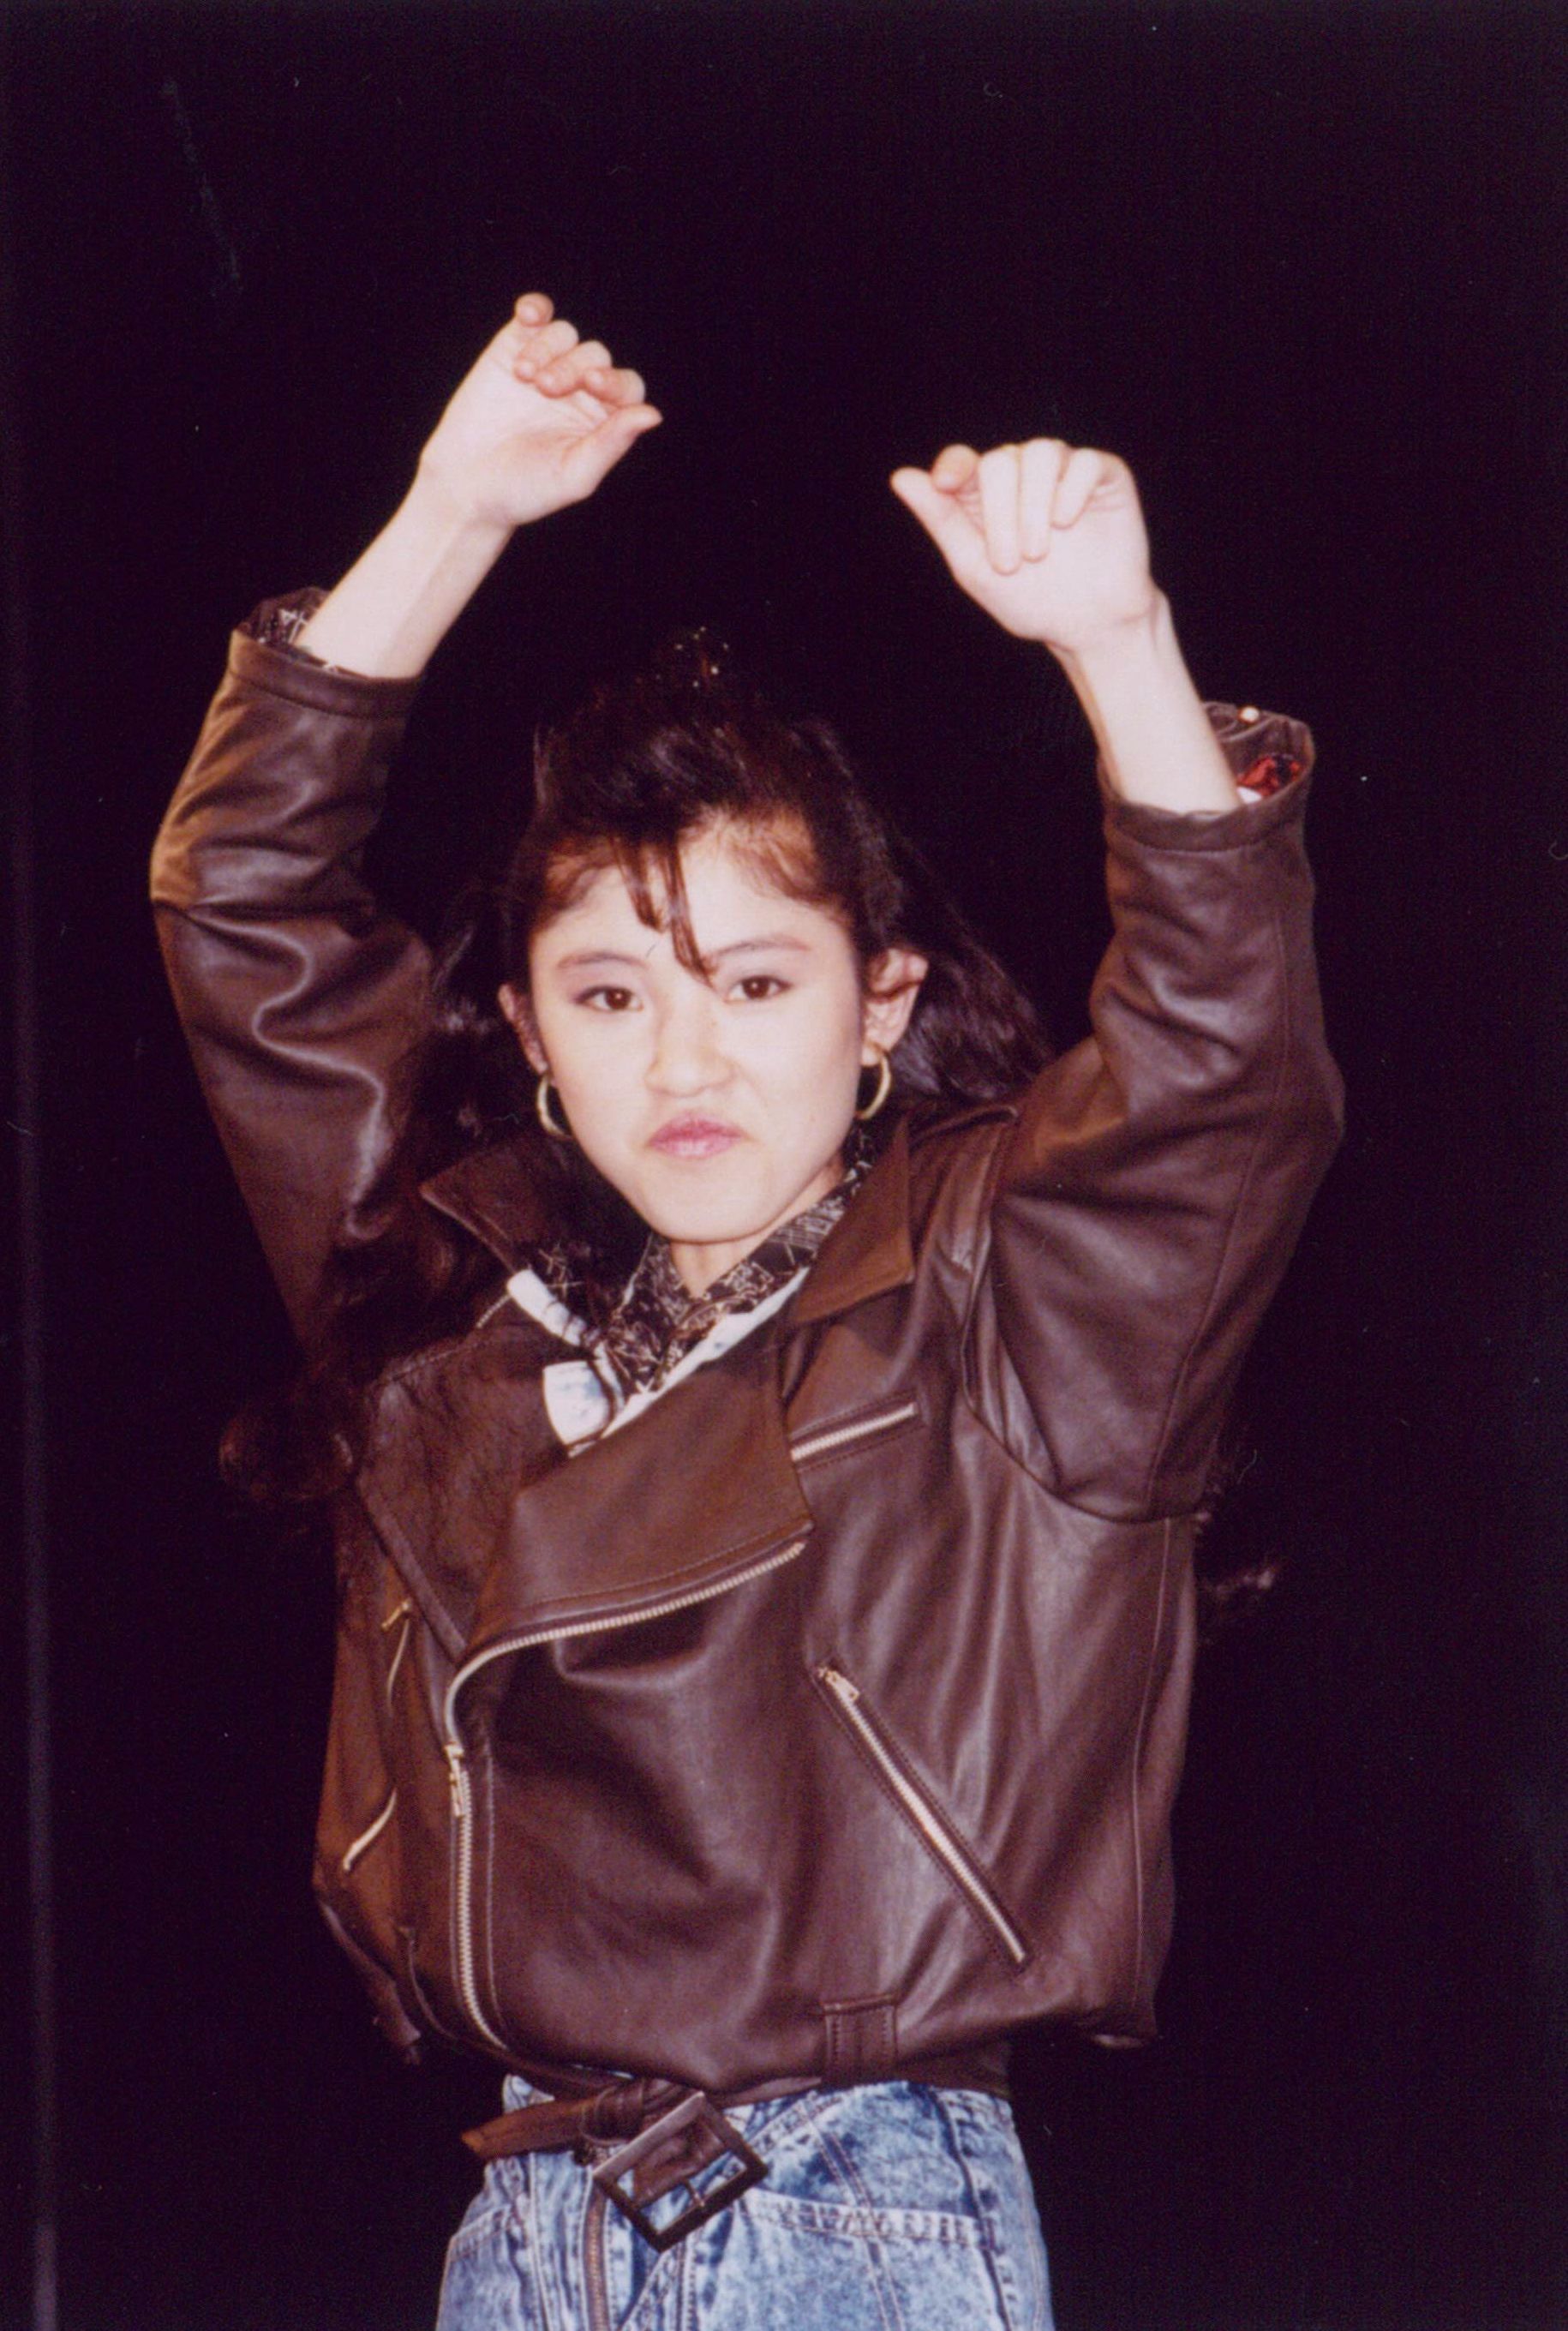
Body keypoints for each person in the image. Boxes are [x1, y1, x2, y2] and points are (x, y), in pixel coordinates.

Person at [152, 294, 1342, 2331]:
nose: (683, 1058)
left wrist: (1117, 645)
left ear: (879, 1004)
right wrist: (452, 511)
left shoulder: (1011, 1296)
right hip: (524, 2218)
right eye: (611, 993)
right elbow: (238, 896)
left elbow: (1222, 1066)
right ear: (530, 1032)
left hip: (848, 2214)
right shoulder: (452, 1299)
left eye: (759, 982)